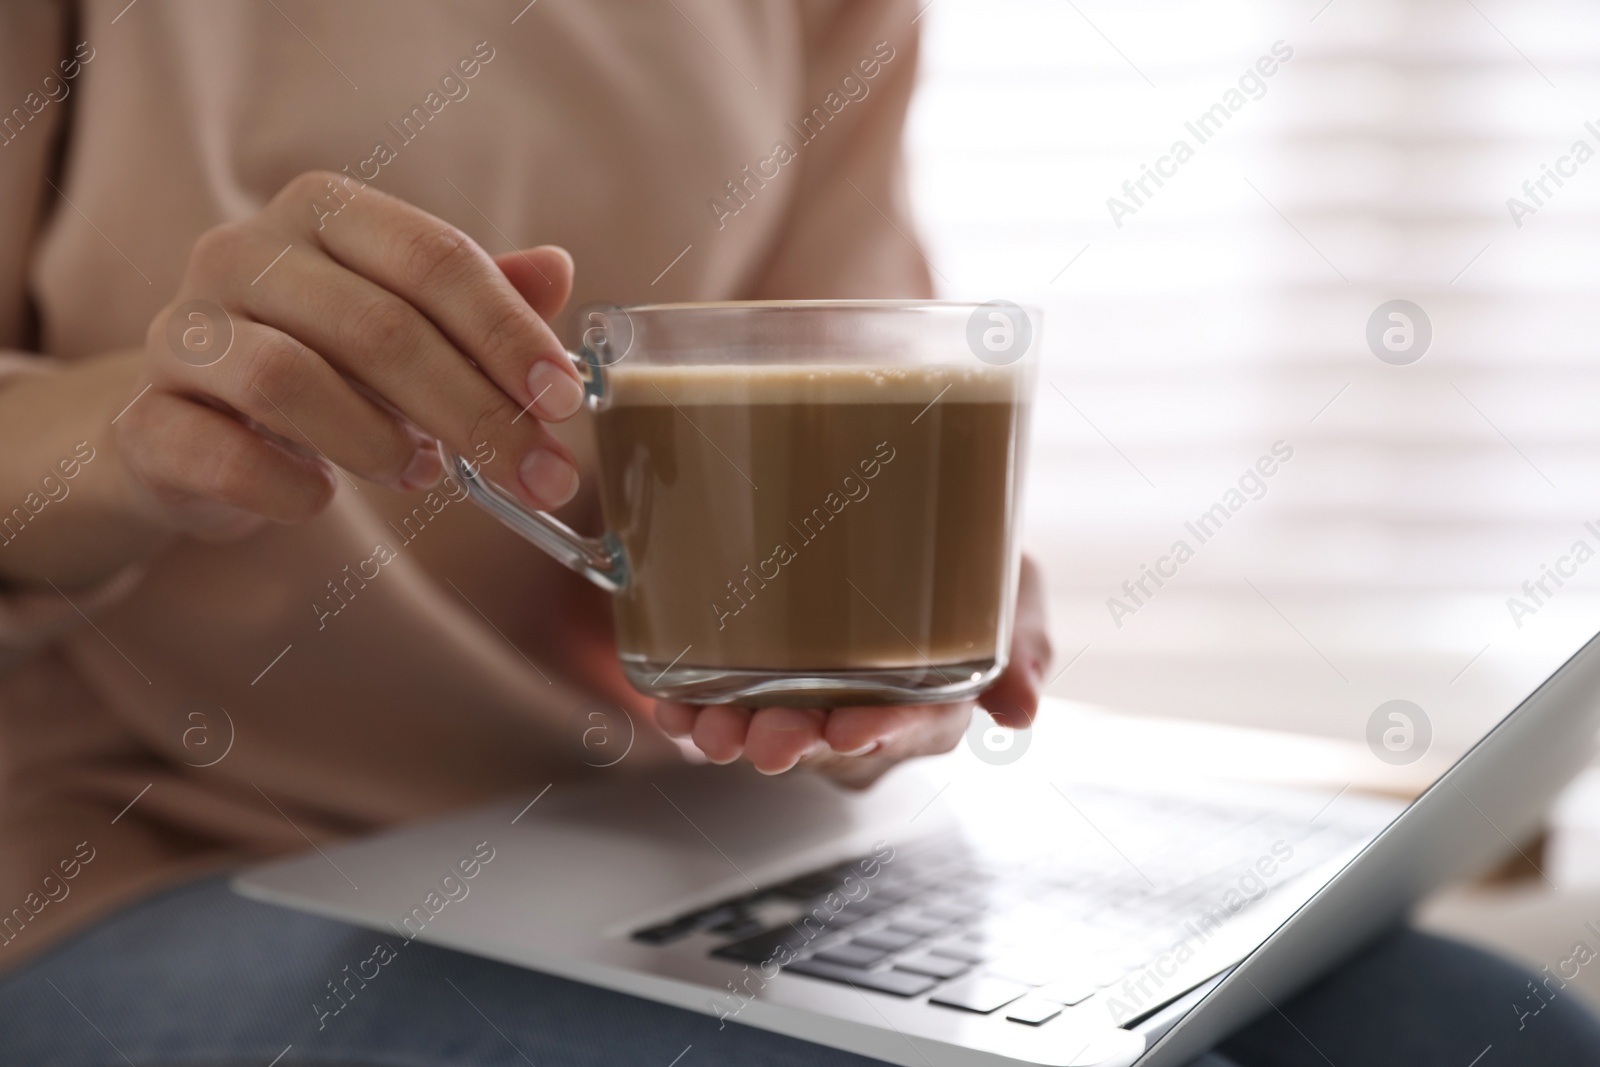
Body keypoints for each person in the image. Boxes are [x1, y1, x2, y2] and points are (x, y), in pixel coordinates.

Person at [0, 3, 1596, 1065]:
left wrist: (881, 604)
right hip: (136, 853)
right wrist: (145, 436)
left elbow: (820, 389)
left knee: (1506, 1034)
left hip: (639, 845)